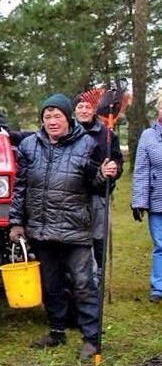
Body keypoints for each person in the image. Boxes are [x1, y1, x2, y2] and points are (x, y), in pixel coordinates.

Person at [8, 94, 117, 360]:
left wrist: (105, 175)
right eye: (47, 117)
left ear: (68, 118)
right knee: (51, 284)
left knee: (83, 284)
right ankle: (57, 330)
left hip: (75, 229)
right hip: (41, 229)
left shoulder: (88, 145)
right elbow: (20, 188)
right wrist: (16, 222)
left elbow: (97, 185)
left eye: (57, 116)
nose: (52, 121)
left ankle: (92, 339)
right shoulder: (30, 146)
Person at [74, 92, 123, 271]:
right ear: (74, 110)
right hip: (74, 193)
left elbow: (117, 160)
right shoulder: (68, 132)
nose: (84, 111)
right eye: (80, 107)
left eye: (88, 107)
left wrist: (114, 169)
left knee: (98, 235)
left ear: (94, 110)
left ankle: (99, 274)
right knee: (76, 237)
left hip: (99, 194)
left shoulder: (107, 135)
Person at [131, 96, 162, 303]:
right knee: (161, 245)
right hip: (158, 199)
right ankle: (158, 287)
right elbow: (141, 170)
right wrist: (139, 201)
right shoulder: (148, 136)